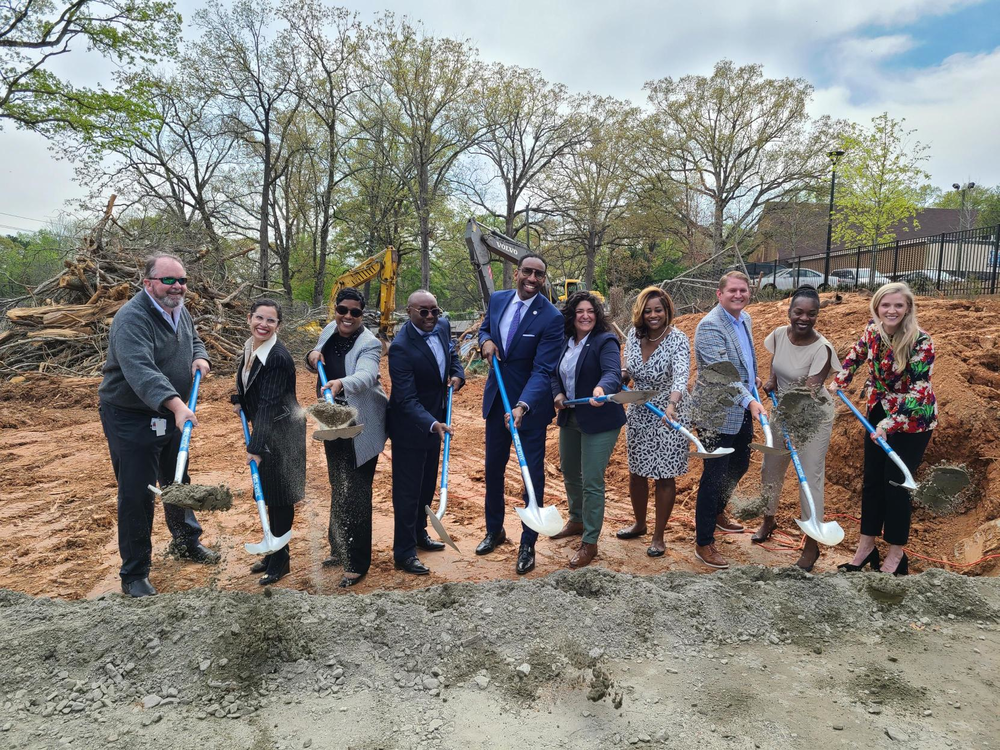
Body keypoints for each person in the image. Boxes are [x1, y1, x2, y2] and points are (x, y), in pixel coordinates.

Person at [98, 253, 218, 598]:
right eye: (169, 280)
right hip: (131, 415)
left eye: (182, 280)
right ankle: (135, 574)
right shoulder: (132, 318)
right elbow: (140, 371)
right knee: (137, 493)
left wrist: (201, 356)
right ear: (148, 282)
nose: (178, 286)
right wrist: (178, 404)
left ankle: (185, 542)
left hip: (171, 411)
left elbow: (193, 339)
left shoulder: (179, 309)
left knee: (177, 479)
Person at [829, 282, 936, 576]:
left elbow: (918, 391)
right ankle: (865, 548)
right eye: (886, 305)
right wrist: (841, 379)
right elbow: (856, 356)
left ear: (908, 309)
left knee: (896, 484)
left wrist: (890, 424)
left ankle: (896, 555)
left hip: (913, 420)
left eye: (898, 306)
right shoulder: (872, 331)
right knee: (873, 481)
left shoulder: (921, 341)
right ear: (877, 307)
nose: (891, 311)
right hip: (878, 411)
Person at [477, 253, 564, 574]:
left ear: (544, 279)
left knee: (532, 477)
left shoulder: (551, 317)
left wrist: (522, 406)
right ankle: (494, 531)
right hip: (496, 399)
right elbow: (485, 329)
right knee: (493, 470)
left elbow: (543, 370)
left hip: (530, 407)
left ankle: (528, 543)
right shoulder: (498, 300)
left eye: (539, 274)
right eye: (527, 271)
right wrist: (485, 340)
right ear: (516, 273)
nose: (532, 278)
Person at [751, 286, 841, 571]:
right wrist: (771, 380)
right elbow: (776, 362)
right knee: (771, 468)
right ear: (789, 312)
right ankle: (768, 518)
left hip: (812, 417)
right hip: (784, 411)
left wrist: (789, 411)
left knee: (808, 477)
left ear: (817, 315)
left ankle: (812, 544)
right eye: (799, 312)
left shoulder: (822, 349)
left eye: (811, 314)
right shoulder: (779, 334)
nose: (804, 318)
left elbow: (809, 391)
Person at [307, 288, 388, 588]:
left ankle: (356, 562)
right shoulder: (329, 329)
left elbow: (367, 375)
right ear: (336, 310)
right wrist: (311, 354)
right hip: (332, 421)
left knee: (355, 490)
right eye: (343, 310)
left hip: (361, 425)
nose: (348, 317)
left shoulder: (370, 343)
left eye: (355, 312)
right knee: (337, 483)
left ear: (362, 314)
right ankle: (338, 547)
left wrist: (340, 383)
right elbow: (315, 356)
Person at [691, 270, 767, 570]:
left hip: (742, 405)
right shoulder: (710, 326)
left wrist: (752, 379)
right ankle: (704, 541)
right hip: (716, 412)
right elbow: (722, 373)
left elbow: (742, 358)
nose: (739, 295)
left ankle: (719, 511)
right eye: (733, 291)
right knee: (714, 475)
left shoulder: (743, 319)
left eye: (743, 290)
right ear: (719, 294)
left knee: (740, 464)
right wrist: (749, 400)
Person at [387, 290, 465, 576]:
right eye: (424, 312)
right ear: (409, 311)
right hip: (411, 426)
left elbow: (451, 354)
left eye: (435, 310)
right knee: (407, 493)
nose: (431, 317)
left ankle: (420, 534)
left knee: (426, 486)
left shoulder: (442, 327)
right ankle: (404, 552)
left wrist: (457, 374)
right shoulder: (400, 347)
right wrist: (432, 424)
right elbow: (405, 400)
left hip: (436, 421)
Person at [550, 292, 626, 568]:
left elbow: (612, 373)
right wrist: (557, 393)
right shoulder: (564, 342)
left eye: (591, 311)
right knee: (570, 471)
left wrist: (602, 388)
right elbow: (552, 374)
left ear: (597, 314)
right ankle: (577, 519)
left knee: (592, 479)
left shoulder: (605, 341)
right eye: (580, 311)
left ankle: (590, 542)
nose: (585, 315)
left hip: (600, 419)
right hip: (571, 415)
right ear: (571, 315)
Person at [233, 298, 305, 585]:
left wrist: (257, 447)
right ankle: (273, 548)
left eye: (270, 321)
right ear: (249, 318)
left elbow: (269, 403)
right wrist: (239, 397)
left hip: (284, 432)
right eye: (259, 318)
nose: (263, 324)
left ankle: (280, 559)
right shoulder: (251, 347)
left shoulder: (277, 357)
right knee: (268, 494)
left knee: (280, 496)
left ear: (278, 325)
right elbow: (250, 382)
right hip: (268, 429)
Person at [616, 286, 691, 557]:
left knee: (664, 474)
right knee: (637, 470)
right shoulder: (634, 337)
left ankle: (659, 536)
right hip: (639, 408)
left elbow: (682, 375)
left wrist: (672, 404)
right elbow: (628, 368)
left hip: (669, 412)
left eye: (658, 310)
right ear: (640, 313)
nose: (653, 315)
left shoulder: (678, 339)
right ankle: (639, 524)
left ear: (667, 310)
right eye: (647, 311)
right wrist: (622, 376)